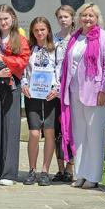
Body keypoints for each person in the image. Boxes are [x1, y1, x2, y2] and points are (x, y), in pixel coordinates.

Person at [59, 3, 105, 189]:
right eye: (84, 15)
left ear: (97, 18)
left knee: (95, 135)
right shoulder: (75, 38)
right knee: (80, 135)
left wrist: (103, 90)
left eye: (91, 16)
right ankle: (81, 173)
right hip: (74, 92)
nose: (88, 19)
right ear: (79, 18)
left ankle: (93, 175)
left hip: (95, 93)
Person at [0, 5, 29, 186]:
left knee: (11, 129)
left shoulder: (20, 39)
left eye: (6, 19)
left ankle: (9, 173)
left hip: (12, 87)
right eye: (0, 19)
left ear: (13, 18)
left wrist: (2, 59)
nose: (3, 22)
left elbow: (23, 61)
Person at [21, 17, 62, 186]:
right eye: (36, 30)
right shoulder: (29, 49)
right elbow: (24, 70)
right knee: (34, 133)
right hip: (32, 94)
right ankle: (32, 170)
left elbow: (59, 70)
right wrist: (24, 84)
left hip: (50, 95)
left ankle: (45, 171)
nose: (39, 33)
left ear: (48, 30)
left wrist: (57, 88)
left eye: (42, 29)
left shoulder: (56, 49)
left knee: (50, 132)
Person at [52, 4, 76, 183]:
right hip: (56, 90)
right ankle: (60, 168)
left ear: (73, 18)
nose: (63, 20)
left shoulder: (77, 39)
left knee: (72, 129)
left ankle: (70, 167)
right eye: (60, 17)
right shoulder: (53, 40)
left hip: (73, 90)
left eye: (66, 16)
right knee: (57, 130)